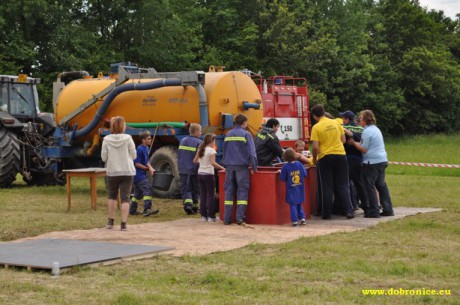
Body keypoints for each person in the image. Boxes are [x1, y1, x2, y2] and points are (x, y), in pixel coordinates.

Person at [310, 104, 354, 220]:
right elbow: (343, 140)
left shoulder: (316, 127)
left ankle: (327, 213)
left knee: (327, 186)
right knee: (343, 184)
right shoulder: (336, 123)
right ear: (324, 112)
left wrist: (315, 159)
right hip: (340, 155)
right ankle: (349, 210)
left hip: (325, 157)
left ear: (314, 116)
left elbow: (315, 147)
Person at [348, 110, 394, 218]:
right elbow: (366, 144)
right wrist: (356, 143)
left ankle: (374, 211)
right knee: (381, 186)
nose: (359, 120)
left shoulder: (367, 131)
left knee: (369, 186)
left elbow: (364, 149)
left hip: (372, 162)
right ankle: (388, 209)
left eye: (360, 118)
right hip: (382, 160)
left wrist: (353, 143)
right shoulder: (375, 129)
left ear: (365, 119)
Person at [101, 116, 136, 231]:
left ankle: (110, 221)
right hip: (127, 170)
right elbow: (134, 155)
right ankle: (124, 223)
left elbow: (103, 157)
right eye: (124, 124)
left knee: (112, 196)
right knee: (125, 197)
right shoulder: (128, 138)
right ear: (122, 126)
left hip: (112, 171)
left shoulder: (106, 139)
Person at [222, 114, 257, 225]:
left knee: (229, 191)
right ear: (244, 123)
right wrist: (254, 166)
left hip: (229, 167)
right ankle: (240, 218)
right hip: (242, 167)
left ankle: (227, 219)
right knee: (242, 191)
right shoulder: (246, 134)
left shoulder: (228, 134)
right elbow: (251, 152)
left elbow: (224, 151)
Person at [339, 110, 367, 212]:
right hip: (359, 159)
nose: (342, 120)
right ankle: (366, 207)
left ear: (346, 119)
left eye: (343, 118)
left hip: (347, 159)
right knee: (360, 184)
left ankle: (349, 208)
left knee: (345, 184)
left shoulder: (343, 127)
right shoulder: (361, 129)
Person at [194, 133, 225, 222]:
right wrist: (223, 168)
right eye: (214, 141)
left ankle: (203, 216)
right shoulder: (212, 151)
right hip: (209, 174)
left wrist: (202, 162)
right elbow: (213, 163)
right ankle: (212, 216)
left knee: (203, 195)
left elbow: (195, 161)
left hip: (200, 174)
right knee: (210, 195)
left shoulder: (200, 149)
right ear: (211, 141)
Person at [129, 131, 159, 217]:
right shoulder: (139, 149)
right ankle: (147, 210)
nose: (150, 140)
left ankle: (132, 210)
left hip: (142, 174)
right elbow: (136, 164)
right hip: (138, 175)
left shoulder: (146, 148)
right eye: (148, 139)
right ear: (143, 140)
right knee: (147, 190)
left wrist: (151, 168)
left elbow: (146, 161)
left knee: (137, 194)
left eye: (150, 138)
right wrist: (146, 168)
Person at [178, 123, 202, 215]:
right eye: (200, 131)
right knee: (195, 188)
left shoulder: (183, 140)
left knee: (185, 187)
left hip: (183, 168)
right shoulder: (199, 142)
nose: (200, 133)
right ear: (195, 132)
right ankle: (195, 206)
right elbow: (199, 157)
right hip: (193, 169)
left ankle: (188, 204)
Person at [280, 148, 307, 226]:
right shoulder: (299, 164)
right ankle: (302, 218)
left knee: (293, 205)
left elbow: (282, 178)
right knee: (299, 204)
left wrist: (281, 172)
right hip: (300, 187)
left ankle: (295, 221)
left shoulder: (285, 166)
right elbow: (305, 174)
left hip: (291, 189)